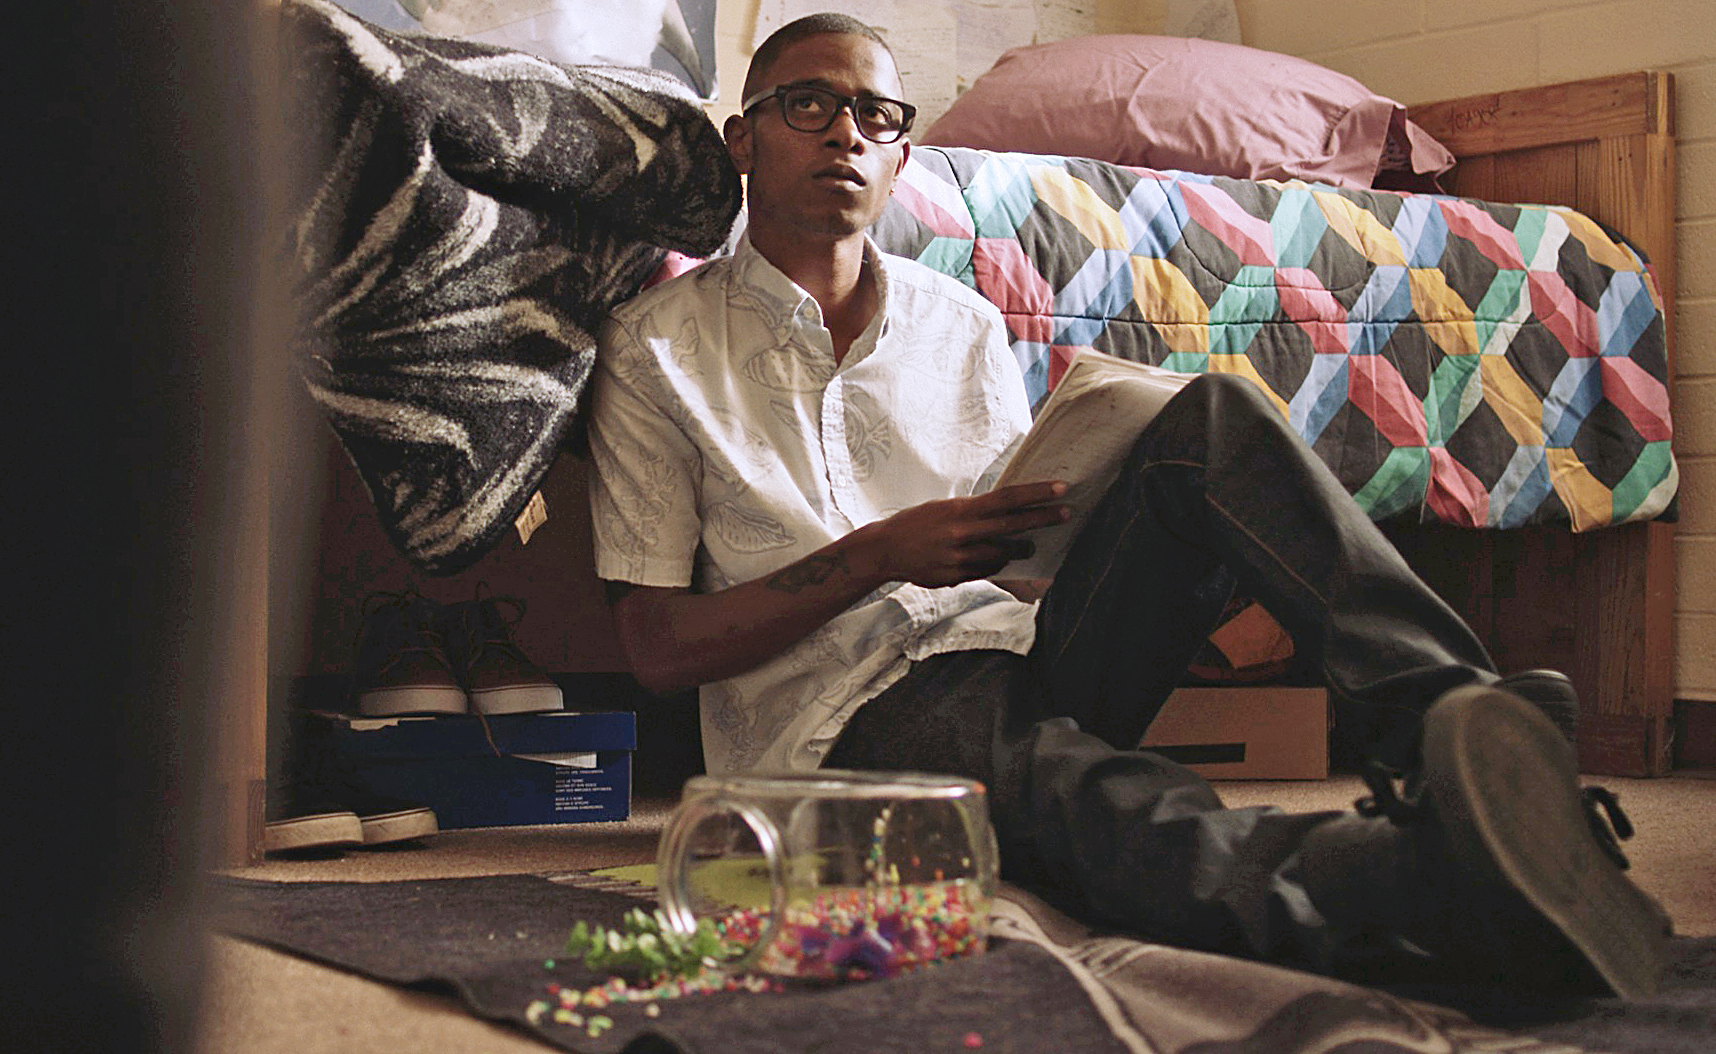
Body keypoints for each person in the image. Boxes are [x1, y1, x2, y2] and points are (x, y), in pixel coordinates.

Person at [586, 13, 1671, 996]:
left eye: (876, 115)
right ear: (743, 139)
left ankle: (1461, 731)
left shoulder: (958, 321)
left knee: (1210, 421)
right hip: (837, 720)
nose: (844, 134)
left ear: (902, 155)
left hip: (1018, 650)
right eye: (808, 105)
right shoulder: (656, 350)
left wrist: (1051, 527)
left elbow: (1017, 555)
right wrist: (879, 555)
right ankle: (1430, 880)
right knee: (1089, 798)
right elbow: (656, 651)